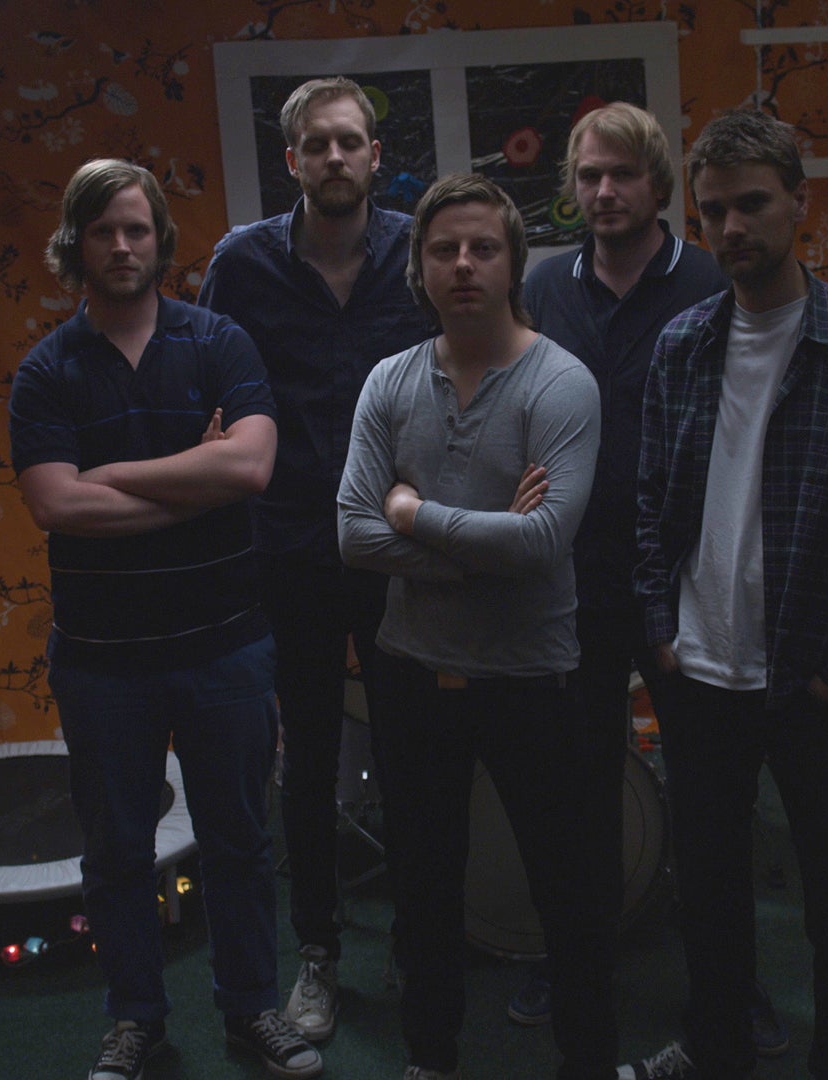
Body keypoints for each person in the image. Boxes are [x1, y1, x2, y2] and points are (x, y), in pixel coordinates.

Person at [620, 108, 828, 1080]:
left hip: (814, 684)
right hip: (699, 675)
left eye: (751, 204)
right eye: (712, 210)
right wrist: (659, 638)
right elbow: (648, 511)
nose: (731, 230)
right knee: (708, 893)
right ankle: (715, 1047)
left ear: (800, 203)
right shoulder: (680, 344)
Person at [9, 158, 322, 1080]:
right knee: (115, 855)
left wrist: (111, 478)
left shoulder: (220, 341)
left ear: (161, 241)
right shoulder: (47, 372)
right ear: (77, 244)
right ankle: (136, 1020)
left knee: (239, 842)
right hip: (105, 664)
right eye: (103, 230)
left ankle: (250, 1010)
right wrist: (195, 475)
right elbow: (53, 506)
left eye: (137, 229)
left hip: (226, 646)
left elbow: (252, 470)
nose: (121, 246)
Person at [514, 101, 789, 1054]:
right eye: (588, 176)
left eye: (621, 175)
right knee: (577, 798)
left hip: (688, 586)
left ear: (660, 186)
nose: (602, 192)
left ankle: (730, 992)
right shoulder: (543, 288)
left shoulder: (715, 279)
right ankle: (574, 970)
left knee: (710, 806)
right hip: (572, 587)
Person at [336, 173, 612, 1080]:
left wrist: (412, 514)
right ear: (418, 268)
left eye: (482, 248)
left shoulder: (561, 383)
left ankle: (587, 1060)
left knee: (568, 892)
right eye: (444, 249)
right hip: (413, 674)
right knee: (422, 890)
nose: (463, 265)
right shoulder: (390, 380)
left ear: (513, 264)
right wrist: (481, 547)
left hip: (535, 680)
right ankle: (431, 1061)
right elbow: (351, 531)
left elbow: (542, 546)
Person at [197, 76, 431, 1043]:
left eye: (351, 142)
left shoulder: (422, 249)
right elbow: (197, 384)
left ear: (376, 153)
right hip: (286, 548)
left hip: (401, 548)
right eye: (316, 146)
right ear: (290, 160)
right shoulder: (242, 264)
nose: (335, 158)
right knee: (307, 765)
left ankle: (421, 944)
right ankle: (320, 955)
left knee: (417, 755)